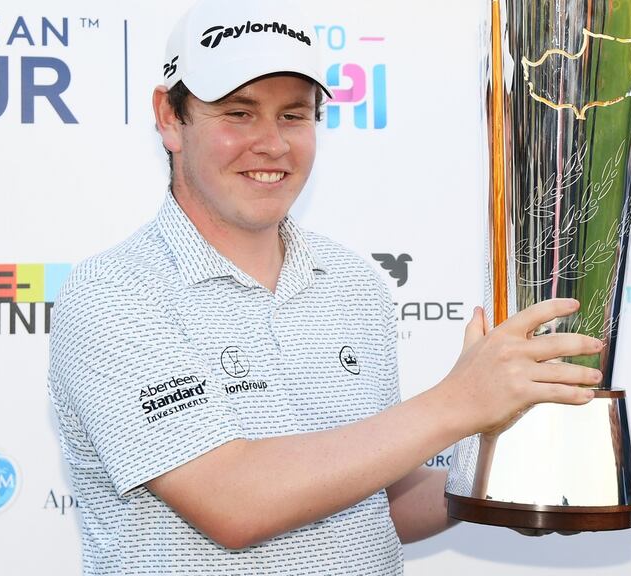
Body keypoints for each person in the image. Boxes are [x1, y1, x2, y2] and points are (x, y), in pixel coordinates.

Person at [47, 0, 601, 574]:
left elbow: (383, 499)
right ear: (169, 117)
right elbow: (231, 500)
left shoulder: (353, 281)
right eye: (238, 113)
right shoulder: (112, 293)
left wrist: (504, 476)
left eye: (294, 115)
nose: (272, 144)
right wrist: (459, 403)